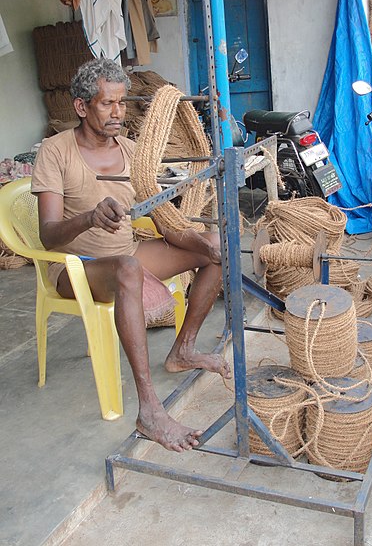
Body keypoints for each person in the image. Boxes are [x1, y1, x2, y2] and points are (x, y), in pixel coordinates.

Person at [31, 58, 231, 452]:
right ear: (81, 106)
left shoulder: (132, 152)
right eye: (107, 104)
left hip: (127, 252)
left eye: (121, 103)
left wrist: (202, 244)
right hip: (76, 267)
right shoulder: (55, 152)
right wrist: (89, 217)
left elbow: (164, 222)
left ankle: (183, 349)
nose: (118, 113)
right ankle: (150, 409)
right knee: (128, 268)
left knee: (216, 247)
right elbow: (49, 236)